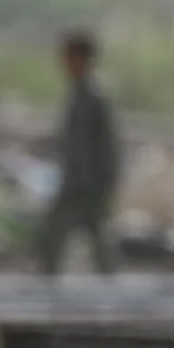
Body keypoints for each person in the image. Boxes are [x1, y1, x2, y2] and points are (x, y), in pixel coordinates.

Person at [36, 29, 121, 276]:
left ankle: (108, 288)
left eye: (69, 57)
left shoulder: (95, 96)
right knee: (58, 236)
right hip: (76, 182)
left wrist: (107, 183)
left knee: (85, 238)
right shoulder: (78, 94)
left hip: (89, 185)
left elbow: (108, 144)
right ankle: (51, 284)